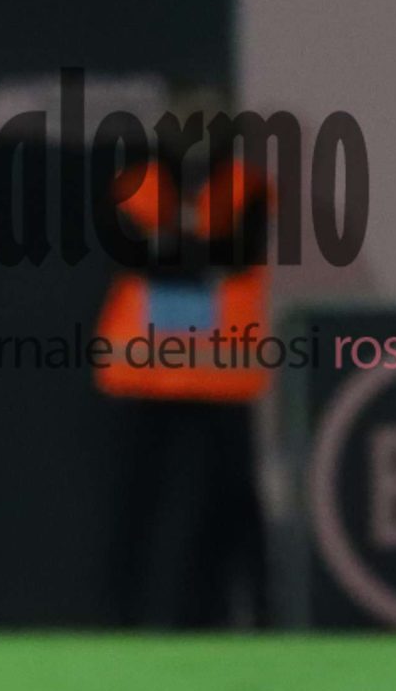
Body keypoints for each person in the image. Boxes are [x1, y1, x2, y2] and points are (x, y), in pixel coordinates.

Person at [92, 82, 275, 629]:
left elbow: (237, 255)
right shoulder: (137, 185)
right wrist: (192, 245)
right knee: (133, 507)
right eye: (186, 115)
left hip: (222, 375)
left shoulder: (250, 189)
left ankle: (257, 619)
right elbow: (138, 256)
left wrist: (175, 243)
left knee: (234, 506)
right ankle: (118, 623)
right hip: (144, 371)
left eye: (209, 116)